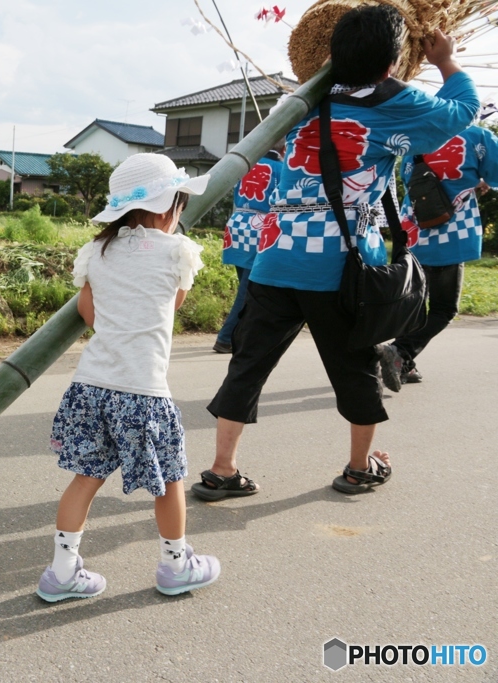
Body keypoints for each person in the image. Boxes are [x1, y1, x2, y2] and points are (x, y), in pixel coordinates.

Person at [194, 5, 478, 500]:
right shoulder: (394, 103)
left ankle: (222, 469)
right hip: (339, 266)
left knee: (249, 365)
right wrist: (447, 61)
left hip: (273, 256)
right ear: (393, 62)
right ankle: (358, 466)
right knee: (354, 365)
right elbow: (462, 112)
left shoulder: (307, 104)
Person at [35, 154, 220, 601]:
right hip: (143, 392)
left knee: (85, 477)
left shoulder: (97, 251)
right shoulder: (179, 250)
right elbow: (170, 307)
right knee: (170, 479)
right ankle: (176, 566)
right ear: (166, 208)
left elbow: (88, 311)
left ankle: (61, 574)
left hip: (91, 386)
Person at [377, 121, 498, 387]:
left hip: (414, 232)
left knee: (415, 305)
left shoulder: (419, 134)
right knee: (444, 309)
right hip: (451, 235)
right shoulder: (476, 135)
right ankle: (399, 351)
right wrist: (475, 181)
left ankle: (404, 364)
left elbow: (409, 177)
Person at [214, 148, 284, 354]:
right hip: (261, 226)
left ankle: (238, 336)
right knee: (248, 290)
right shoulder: (282, 169)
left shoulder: (245, 164)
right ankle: (226, 338)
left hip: (237, 225)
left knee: (245, 286)